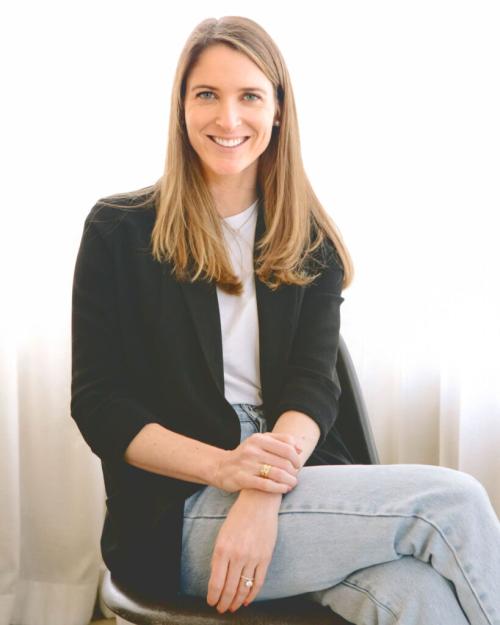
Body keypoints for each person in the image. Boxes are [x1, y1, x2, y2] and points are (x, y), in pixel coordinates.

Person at [71, 15, 500, 625]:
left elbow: (312, 384)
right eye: (207, 96)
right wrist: (227, 468)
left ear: (277, 110)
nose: (228, 118)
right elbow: (100, 405)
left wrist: (262, 485)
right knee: (452, 503)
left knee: (416, 594)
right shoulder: (119, 230)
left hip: (299, 475)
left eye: (249, 96)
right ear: (180, 107)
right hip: (177, 507)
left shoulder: (309, 238)